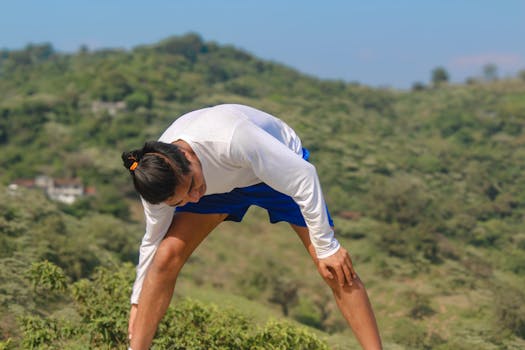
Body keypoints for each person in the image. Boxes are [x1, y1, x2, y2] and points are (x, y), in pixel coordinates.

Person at [122, 104, 382, 350]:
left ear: (187, 155)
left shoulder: (232, 137)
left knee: (332, 268)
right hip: (220, 187)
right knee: (165, 256)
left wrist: (327, 246)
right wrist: (137, 301)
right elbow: (151, 242)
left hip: (271, 174)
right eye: (181, 201)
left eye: (190, 186)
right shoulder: (156, 186)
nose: (193, 199)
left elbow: (304, 177)